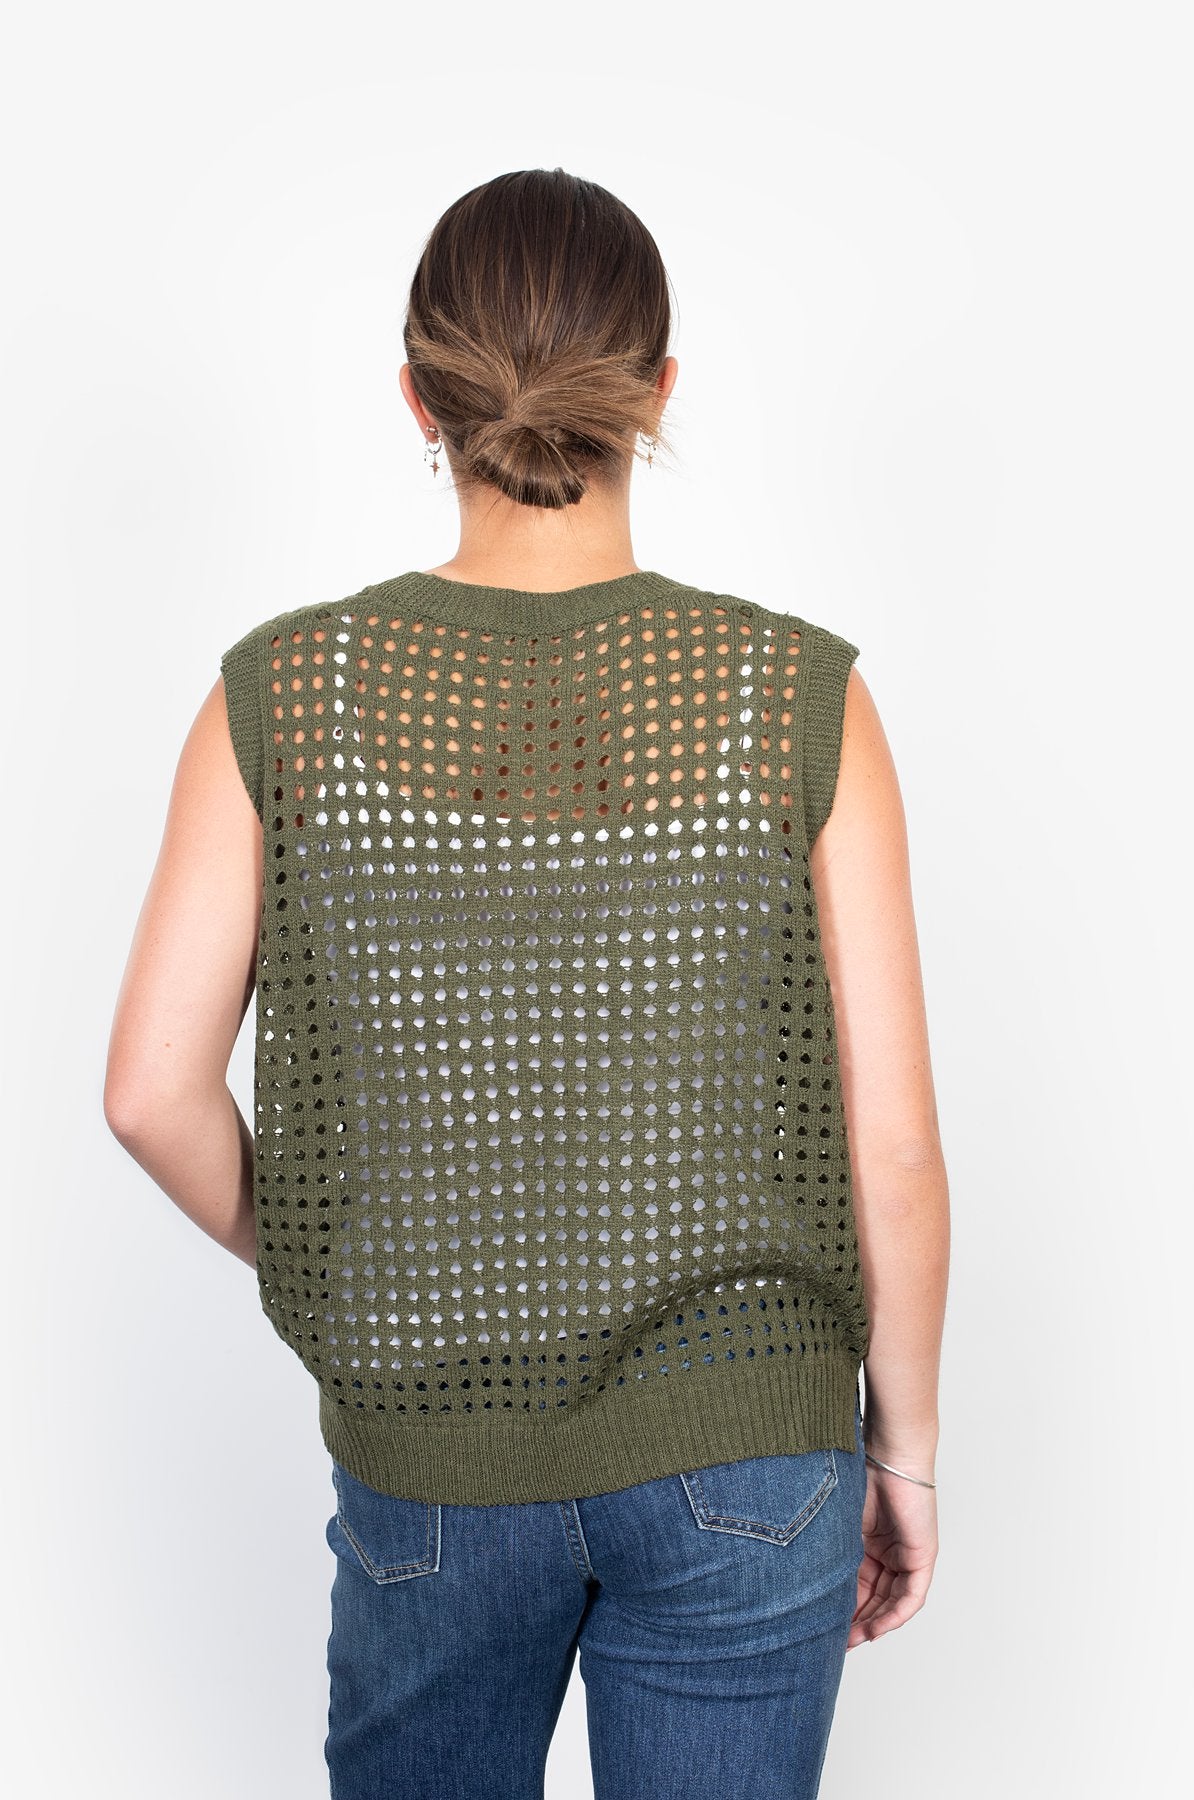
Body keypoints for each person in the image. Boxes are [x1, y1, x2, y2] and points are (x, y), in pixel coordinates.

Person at [105, 167, 950, 1800]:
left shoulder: (286, 692)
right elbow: (895, 1150)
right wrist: (901, 1452)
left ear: (418, 397)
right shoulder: (796, 693)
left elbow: (150, 1092)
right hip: (748, 1446)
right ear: (659, 392)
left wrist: (345, 1260)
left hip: (433, 1451)